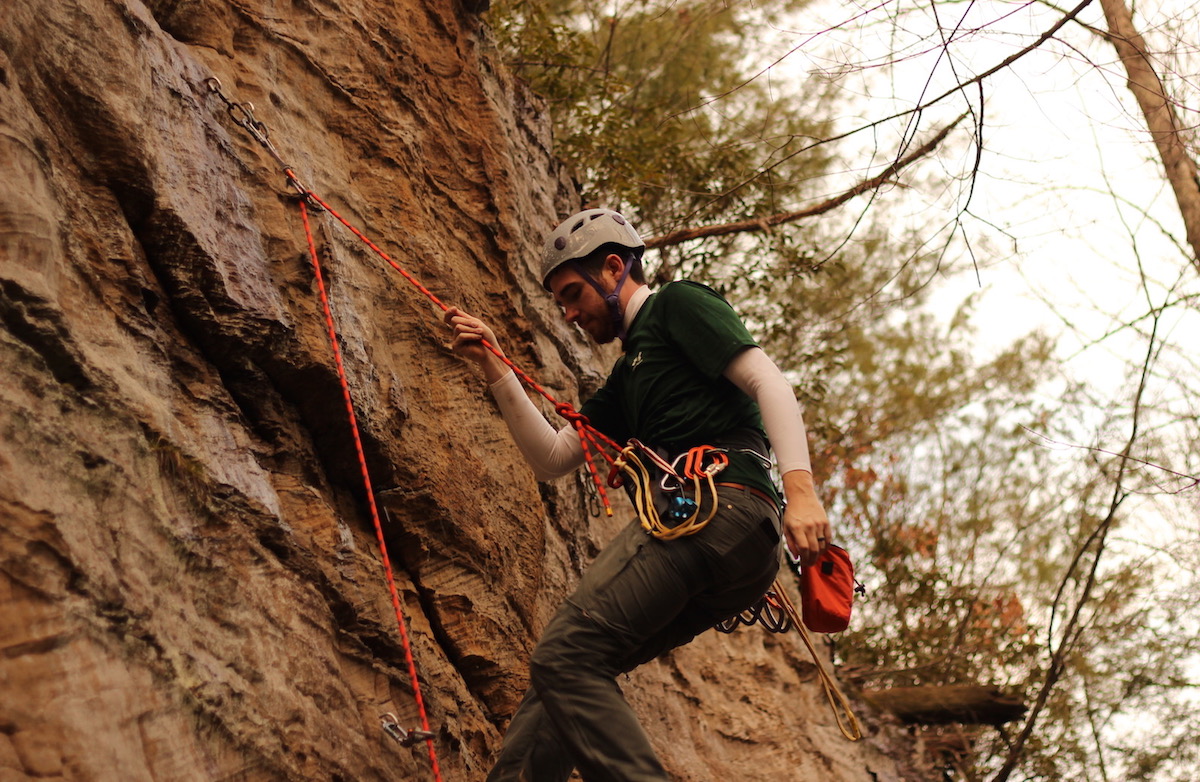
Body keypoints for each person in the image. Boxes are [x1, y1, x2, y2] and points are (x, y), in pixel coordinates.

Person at [444, 208, 831, 781]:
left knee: (564, 655)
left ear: (614, 266)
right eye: (560, 304)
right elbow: (552, 458)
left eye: (574, 294)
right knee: (565, 676)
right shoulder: (629, 379)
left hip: (715, 509)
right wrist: (493, 366)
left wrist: (801, 490)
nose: (570, 314)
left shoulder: (677, 305)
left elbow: (766, 381)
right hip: (737, 551)